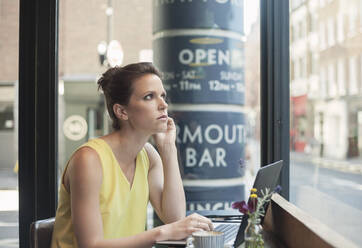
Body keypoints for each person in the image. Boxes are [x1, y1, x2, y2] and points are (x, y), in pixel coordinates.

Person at [50, 62, 213, 248]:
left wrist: (168, 149)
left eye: (162, 96)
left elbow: (174, 218)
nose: (163, 105)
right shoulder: (88, 160)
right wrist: (161, 233)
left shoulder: (149, 156)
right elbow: (90, 245)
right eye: (149, 97)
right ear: (121, 111)